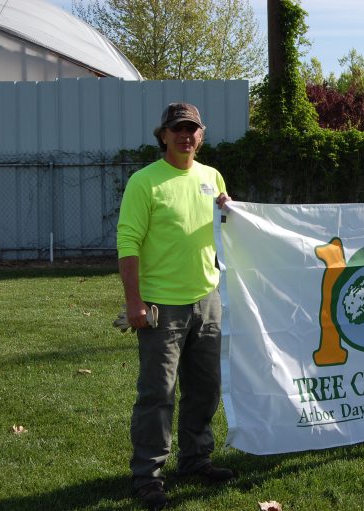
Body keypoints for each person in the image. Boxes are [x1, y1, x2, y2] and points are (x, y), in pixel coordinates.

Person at [116, 102, 233, 510]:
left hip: (207, 299)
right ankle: (147, 476)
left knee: (206, 389)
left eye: (193, 129)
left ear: (201, 136)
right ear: (162, 134)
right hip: (160, 306)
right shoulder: (144, 182)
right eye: (177, 129)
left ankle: (195, 460)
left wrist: (229, 211)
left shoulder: (211, 176)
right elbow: (128, 244)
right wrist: (134, 302)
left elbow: (222, 229)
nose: (185, 136)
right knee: (157, 392)